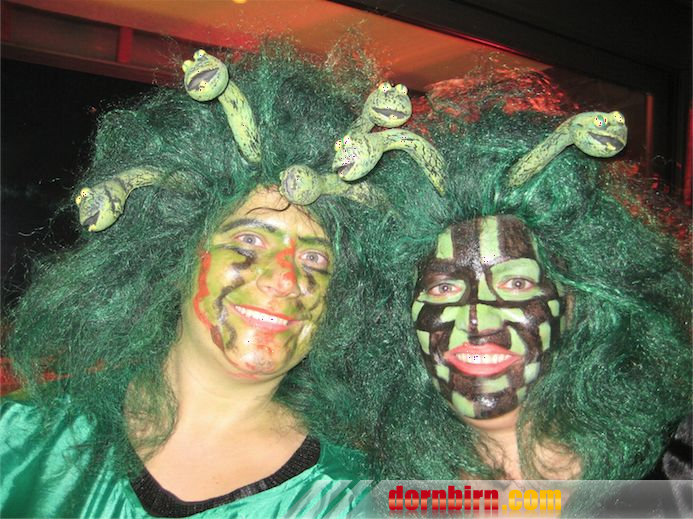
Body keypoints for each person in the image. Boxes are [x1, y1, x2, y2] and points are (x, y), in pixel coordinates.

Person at [0, 45, 395, 518]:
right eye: (249, 241)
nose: (285, 280)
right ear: (179, 255)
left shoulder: (355, 499)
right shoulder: (21, 437)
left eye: (314, 258)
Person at [316, 71, 691, 508]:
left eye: (516, 283)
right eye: (444, 287)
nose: (477, 317)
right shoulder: (377, 498)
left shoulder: (673, 475)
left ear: (575, 304)